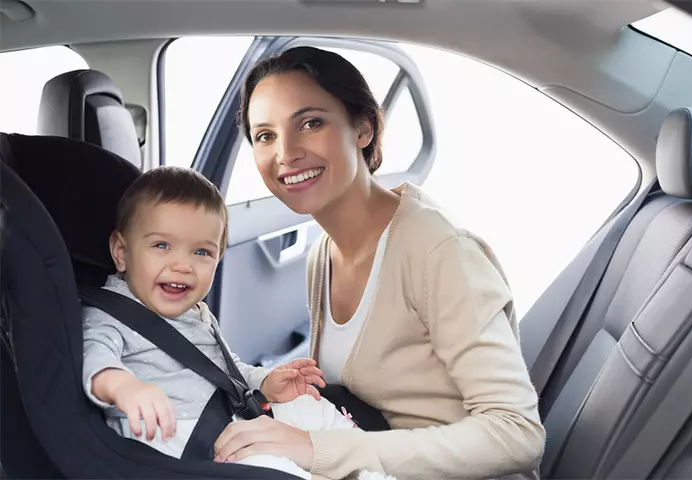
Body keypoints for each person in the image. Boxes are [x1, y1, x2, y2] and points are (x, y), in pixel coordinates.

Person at [212, 46, 546, 479]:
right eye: (266, 135)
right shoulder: (322, 255)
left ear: (363, 129)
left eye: (310, 123)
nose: (286, 153)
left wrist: (318, 448)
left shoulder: (438, 249)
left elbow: (518, 434)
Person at [81, 166, 370, 480]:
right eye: (162, 245)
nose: (182, 265)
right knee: (278, 469)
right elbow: (94, 357)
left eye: (201, 252)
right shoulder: (110, 314)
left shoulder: (196, 313)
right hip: (184, 445)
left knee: (316, 410)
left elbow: (225, 368)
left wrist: (264, 381)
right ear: (121, 252)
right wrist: (124, 386)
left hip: (233, 419)